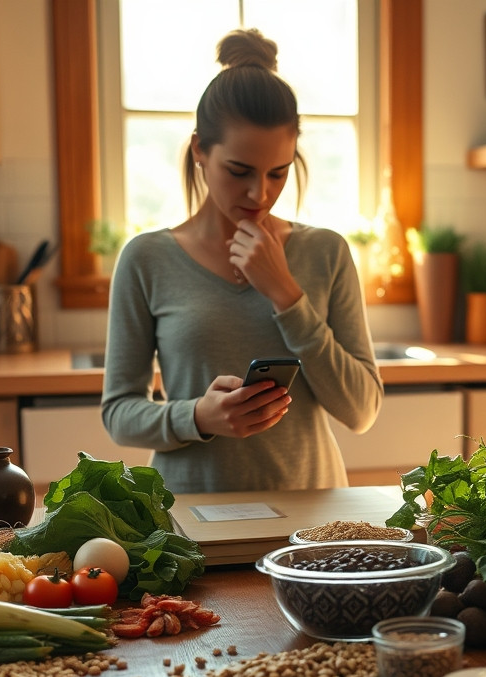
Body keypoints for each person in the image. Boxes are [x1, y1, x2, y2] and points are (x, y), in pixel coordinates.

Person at [101, 29, 382, 494]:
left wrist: (286, 295)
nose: (260, 193)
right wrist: (198, 416)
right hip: (189, 514)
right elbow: (119, 414)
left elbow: (362, 410)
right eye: (239, 171)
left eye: (278, 173)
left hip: (312, 515)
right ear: (199, 150)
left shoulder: (326, 252)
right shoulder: (146, 258)